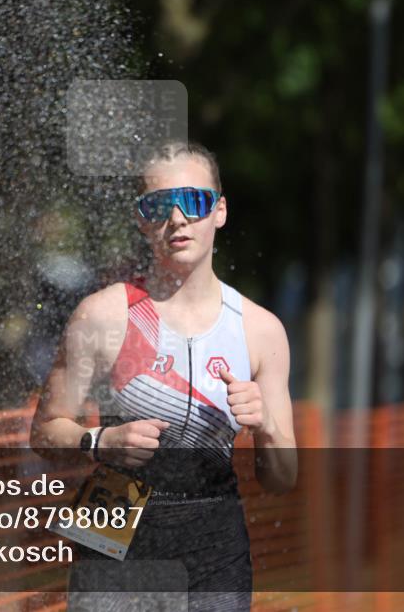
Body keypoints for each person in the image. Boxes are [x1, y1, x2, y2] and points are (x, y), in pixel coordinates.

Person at [30, 141, 298, 611]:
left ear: (219, 211)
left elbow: (282, 478)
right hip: (113, 511)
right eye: (158, 205)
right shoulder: (102, 315)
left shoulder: (260, 330)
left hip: (213, 526)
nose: (177, 219)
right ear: (141, 220)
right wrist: (100, 441)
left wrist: (266, 428)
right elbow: (44, 431)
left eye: (193, 201)